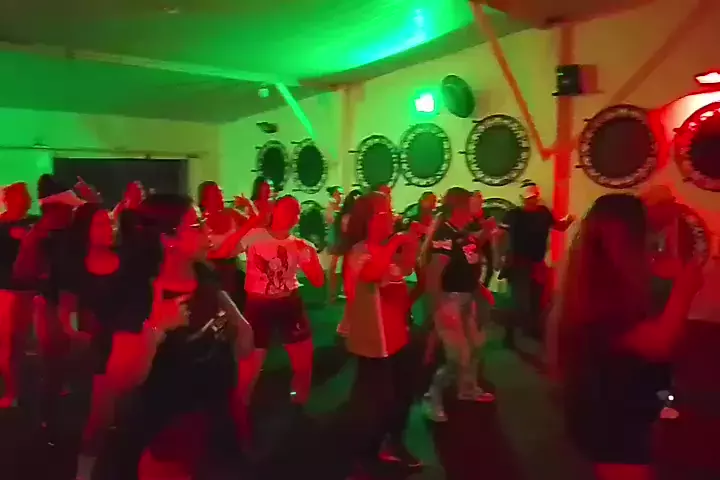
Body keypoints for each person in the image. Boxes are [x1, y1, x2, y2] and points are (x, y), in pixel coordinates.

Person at [90, 193, 254, 480]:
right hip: (164, 432)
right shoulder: (141, 293)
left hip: (212, 425)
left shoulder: (206, 278)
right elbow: (121, 380)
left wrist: (238, 326)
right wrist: (156, 330)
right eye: (197, 225)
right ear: (169, 240)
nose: (208, 230)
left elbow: (244, 347)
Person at [549, 194, 703, 480]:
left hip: (614, 406)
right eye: (643, 232)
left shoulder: (600, 277)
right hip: (614, 415)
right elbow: (659, 344)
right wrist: (685, 289)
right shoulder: (603, 294)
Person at [340, 192, 422, 476]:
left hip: (397, 336)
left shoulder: (386, 249)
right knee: (375, 401)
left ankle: (391, 443)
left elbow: (405, 269)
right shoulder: (359, 251)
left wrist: (412, 242)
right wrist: (397, 242)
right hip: (373, 342)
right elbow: (373, 273)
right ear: (370, 220)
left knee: (401, 395)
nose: (392, 217)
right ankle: (363, 456)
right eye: (385, 212)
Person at [234, 195, 324, 442]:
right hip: (258, 305)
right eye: (287, 209)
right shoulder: (255, 236)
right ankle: (239, 415)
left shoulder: (300, 245)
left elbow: (318, 281)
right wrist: (250, 219)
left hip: (289, 304)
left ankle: (297, 408)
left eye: (296, 212)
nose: (292, 215)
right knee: (249, 368)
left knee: (304, 365)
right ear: (275, 210)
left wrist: (311, 257)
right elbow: (225, 252)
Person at [423, 188, 496, 423]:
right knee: (458, 356)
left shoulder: (461, 232)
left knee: (476, 346)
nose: (474, 210)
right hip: (449, 300)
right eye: (470, 206)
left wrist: (486, 231)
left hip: (467, 299)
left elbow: (471, 247)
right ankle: (431, 395)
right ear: (459, 208)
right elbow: (434, 274)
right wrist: (437, 309)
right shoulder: (444, 235)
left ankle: (467, 388)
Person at [501, 181, 574, 347]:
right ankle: (510, 333)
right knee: (521, 302)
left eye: (533, 197)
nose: (532, 201)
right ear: (522, 198)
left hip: (537, 262)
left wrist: (568, 220)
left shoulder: (543, 213)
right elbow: (501, 235)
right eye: (529, 198)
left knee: (537, 301)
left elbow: (559, 226)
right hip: (519, 263)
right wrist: (501, 257)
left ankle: (530, 330)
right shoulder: (514, 214)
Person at [0, 182, 36, 408]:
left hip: (29, 292)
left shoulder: (34, 223)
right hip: (5, 292)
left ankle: (20, 389)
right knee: (8, 345)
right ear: (8, 199)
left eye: (26, 196)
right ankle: (12, 390)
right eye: (21, 195)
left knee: (21, 343)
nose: (26, 199)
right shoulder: (1, 225)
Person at [197, 181, 255, 312]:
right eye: (215, 195)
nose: (220, 198)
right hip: (210, 271)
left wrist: (249, 205)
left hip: (233, 267)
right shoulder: (200, 221)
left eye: (221, 193)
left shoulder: (231, 214)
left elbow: (255, 226)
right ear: (204, 201)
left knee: (239, 306)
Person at [328, 189, 361, 308]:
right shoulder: (343, 213)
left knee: (340, 269)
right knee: (337, 268)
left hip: (346, 245)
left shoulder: (345, 213)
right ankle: (334, 293)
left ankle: (337, 293)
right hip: (344, 244)